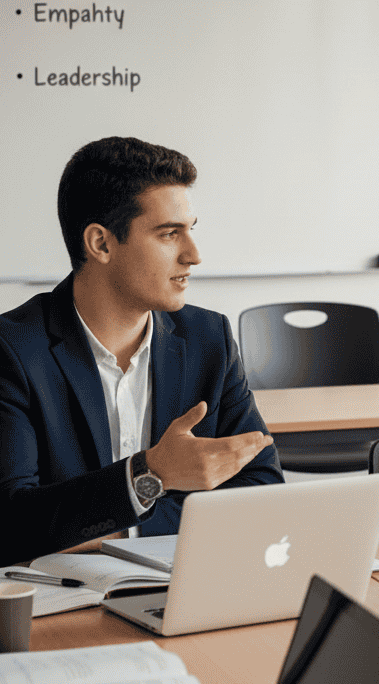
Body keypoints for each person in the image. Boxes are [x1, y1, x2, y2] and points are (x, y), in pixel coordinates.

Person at [0, 136, 282, 566]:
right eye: (170, 234)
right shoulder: (13, 350)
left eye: (191, 230)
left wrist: (126, 520)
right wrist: (152, 475)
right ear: (101, 244)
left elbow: (262, 486)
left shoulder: (210, 338)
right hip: (58, 604)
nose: (194, 255)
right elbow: (13, 524)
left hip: (180, 579)